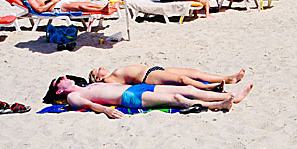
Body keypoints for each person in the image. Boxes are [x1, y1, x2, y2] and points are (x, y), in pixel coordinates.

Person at [44, 76, 254, 119]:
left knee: (188, 88)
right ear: (59, 91)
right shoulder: (74, 97)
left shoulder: (86, 85)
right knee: (178, 99)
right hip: (128, 99)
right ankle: (220, 105)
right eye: (58, 81)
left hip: (136, 88)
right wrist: (107, 110)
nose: (62, 78)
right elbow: (90, 105)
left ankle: (232, 96)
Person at [89, 65, 245, 90]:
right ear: (98, 79)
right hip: (148, 76)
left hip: (153, 69)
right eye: (98, 71)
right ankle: (210, 87)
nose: (102, 68)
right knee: (182, 80)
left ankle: (227, 78)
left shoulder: (111, 75)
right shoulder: (108, 80)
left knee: (194, 72)